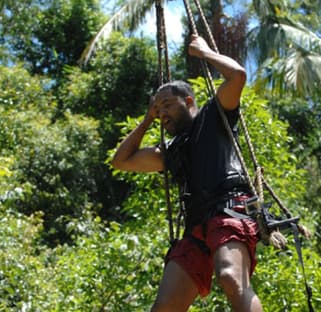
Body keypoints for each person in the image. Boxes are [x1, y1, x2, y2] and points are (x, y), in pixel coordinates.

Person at [112, 34, 263, 312]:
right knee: (163, 307)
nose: (162, 114)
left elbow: (237, 76)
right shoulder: (171, 151)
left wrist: (204, 52)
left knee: (230, 277)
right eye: (159, 110)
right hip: (196, 227)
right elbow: (121, 161)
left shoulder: (214, 116)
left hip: (229, 210)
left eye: (167, 105)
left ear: (189, 101)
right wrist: (147, 119)